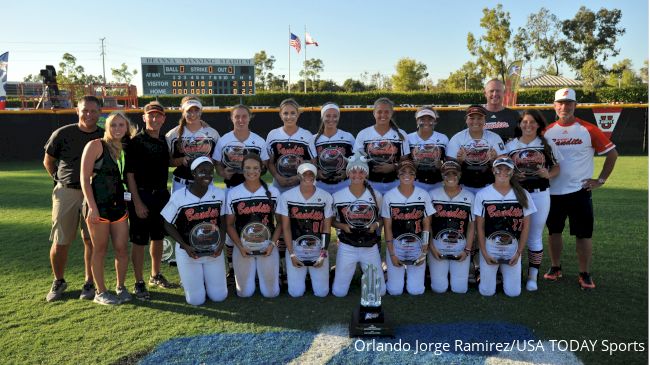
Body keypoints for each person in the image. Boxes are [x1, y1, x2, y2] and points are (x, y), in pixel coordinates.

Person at [542, 88, 618, 290]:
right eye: (560, 103)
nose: (564, 107)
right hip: (553, 192)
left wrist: (600, 180)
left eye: (568, 103)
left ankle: (584, 273)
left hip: (580, 192)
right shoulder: (546, 131)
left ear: (575, 105)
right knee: (554, 232)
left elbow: (612, 154)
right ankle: (555, 267)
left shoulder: (588, 129)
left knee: (583, 234)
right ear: (554, 105)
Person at [43, 95, 104, 302]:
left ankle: (89, 282)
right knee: (61, 240)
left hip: (94, 194)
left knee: (91, 240)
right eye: (84, 110)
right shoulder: (62, 133)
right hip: (66, 191)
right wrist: (59, 180)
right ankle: (59, 280)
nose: (88, 114)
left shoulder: (104, 136)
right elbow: (48, 161)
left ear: (100, 113)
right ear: (77, 111)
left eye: (93, 111)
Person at [80, 111, 136, 305]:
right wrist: (92, 208)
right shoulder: (95, 145)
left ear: (126, 128)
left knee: (122, 249)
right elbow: (84, 179)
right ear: (107, 127)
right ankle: (100, 291)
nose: (117, 129)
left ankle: (120, 287)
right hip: (99, 207)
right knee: (100, 249)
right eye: (113, 125)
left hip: (118, 206)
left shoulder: (125, 148)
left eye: (121, 125)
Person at [125, 101, 176, 300]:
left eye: (158, 116)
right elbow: (129, 175)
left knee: (158, 237)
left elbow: (169, 162)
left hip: (161, 195)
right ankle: (139, 282)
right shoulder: (136, 142)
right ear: (144, 118)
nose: (154, 119)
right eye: (151, 115)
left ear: (163, 118)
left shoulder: (164, 140)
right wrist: (137, 202)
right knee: (139, 240)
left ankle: (155, 275)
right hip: (142, 195)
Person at [506, 110, 562, 291]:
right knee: (513, 233)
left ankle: (532, 276)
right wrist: (514, 176)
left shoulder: (546, 143)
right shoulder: (510, 145)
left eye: (532, 122)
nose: (528, 125)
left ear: (538, 125)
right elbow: (503, 171)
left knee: (535, 237)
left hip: (540, 193)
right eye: (524, 122)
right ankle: (514, 272)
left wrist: (549, 174)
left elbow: (557, 168)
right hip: (517, 194)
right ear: (519, 124)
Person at [161, 157, 228, 305]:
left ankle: (205, 280)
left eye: (210, 172)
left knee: (219, 296)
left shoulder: (219, 194)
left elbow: (223, 221)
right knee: (195, 300)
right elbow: (167, 224)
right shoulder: (179, 196)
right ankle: (195, 281)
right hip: (188, 252)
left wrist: (221, 242)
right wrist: (185, 246)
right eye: (202, 171)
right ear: (193, 173)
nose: (207, 175)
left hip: (213, 250)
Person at [473, 157, 536, 297]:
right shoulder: (482, 194)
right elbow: (480, 228)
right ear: (493, 170)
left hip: (512, 249)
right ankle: (480, 272)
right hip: (490, 247)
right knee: (487, 292)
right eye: (499, 168)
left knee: (514, 293)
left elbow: (526, 227)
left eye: (507, 169)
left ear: (512, 172)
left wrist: (519, 252)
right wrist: (484, 252)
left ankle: (501, 275)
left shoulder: (522, 194)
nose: (503, 172)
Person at [225, 153, 282, 298]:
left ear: (262, 169)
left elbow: (280, 222)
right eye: (248, 168)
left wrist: (272, 244)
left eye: (256, 168)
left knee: (271, 293)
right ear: (242, 169)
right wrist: (239, 246)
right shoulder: (233, 193)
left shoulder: (273, 192)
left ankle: (269, 276)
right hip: (243, 246)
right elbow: (229, 225)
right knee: (244, 293)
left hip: (267, 245)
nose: (252, 171)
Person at [331, 152, 386, 297]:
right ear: (348, 173)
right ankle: (335, 274)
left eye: (361, 171)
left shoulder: (376, 195)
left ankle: (370, 276)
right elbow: (330, 220)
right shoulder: (338, 196)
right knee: (339, 292)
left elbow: (382, 218)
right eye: (353, 171)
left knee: (380, 291)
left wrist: (376, 225)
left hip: (369, 245)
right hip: (347, 245)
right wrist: (342, 227)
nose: (357, 175)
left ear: (366, 174)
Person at [277, 163, 333, 297]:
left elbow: (327, 227)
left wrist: (322, 254)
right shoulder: (287, 196)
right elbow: (286, 228)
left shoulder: (326, 197)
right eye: (304, 174)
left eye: (311, 174)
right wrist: (291, 254)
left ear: (315, 176)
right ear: (298, 176)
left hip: (318, 248)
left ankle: (327, 272)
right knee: (295, 293)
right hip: (296, 248)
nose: (308, 177)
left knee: (322, 292)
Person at [382, 160, 434, 295]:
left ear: (415, 175)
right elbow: (387, 227)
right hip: (396, 244)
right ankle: (388, 271)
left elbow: (426, 224)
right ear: (397, 175)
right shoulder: (389, 196)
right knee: (394, 291)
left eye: (411, 173)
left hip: (417, 244)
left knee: (416, 291)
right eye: (403, 172)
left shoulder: (423, 195)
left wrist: (425, 246)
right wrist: (392, 253)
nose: (407, 175)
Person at [428, 161, 475, 294]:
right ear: (442, 175)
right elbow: (427, 225)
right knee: (439, 289)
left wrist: (467, 250)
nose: (451, 177)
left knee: (460, 289)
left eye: (454, 174)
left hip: (460, 246)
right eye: (447, 174)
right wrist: (432, 248)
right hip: (437, 246)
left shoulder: (470, 197)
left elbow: (472, 226)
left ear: (459, 175)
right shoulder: (432, 195)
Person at [354, 97, 410, 195]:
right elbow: (357, 159)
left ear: (391, 113)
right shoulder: (363, 134)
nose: (383, 115)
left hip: (395, 184)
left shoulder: (401, 134)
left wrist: (393, 167)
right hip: (370, 183)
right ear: (374, 113)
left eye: (387, 112)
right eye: (379, 112)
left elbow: (405, 161)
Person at [446, 104, 507, 195]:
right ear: (466, 120)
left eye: (479, 118)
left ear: (485, 120)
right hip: (464, 187)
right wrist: (459, 161)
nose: (475, 121)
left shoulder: (494, 138)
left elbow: (504, 165)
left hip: (488, 186)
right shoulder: (457, 138)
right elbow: (449, 166)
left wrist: (494, 161)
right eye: (472, 118)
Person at [166, 96, 220, 192]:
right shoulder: (173, 135)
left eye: (196, 110)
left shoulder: (212, 134)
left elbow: (218, 160)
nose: (193, 114)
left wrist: (210, 161)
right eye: (189, 111)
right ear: (183, 112)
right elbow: (168, 162)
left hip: (206, 183)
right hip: (181, 185)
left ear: (201, 111)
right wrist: (181, 160)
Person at [266, 98, 316, 194]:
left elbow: (313, 162)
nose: (289, 116)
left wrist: (299, 176)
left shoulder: (307, 135)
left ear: (298, 114)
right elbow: (270, 163)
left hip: (301, 186)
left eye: (293, 113)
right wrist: (277, 177)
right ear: (280, 115)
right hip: (278, 185)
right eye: (285, 113)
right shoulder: (273, 135)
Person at [213, 104, 269, 188]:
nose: (240, 120)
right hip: (231, 187)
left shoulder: (259, 141)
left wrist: (254, 172)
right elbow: (217, 163)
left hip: (254, 188)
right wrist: (223, 173)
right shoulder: (223, 140)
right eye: (237, 117)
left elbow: (264, 165)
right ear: (232, 118)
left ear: (250, 117)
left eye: (244, 116)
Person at [312, 102, 355, 195]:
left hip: (344, 185)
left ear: (339, 117)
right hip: (320, 186)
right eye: (327, 116)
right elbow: (309, 161)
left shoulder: (348, 137)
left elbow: (355, 160)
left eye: (335, 116)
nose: (331, 119)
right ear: (322, 117)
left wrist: (347, 172)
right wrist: (316, 171)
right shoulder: (313, 139)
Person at [407, 106, 448, 191]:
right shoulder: (408, 139)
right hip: (414, 184)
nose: (426, 122)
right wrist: (411, 165)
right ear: (417, 120)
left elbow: (449, 164)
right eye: (422, 119)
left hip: (437, 184)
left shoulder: (443, 138)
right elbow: (402, 163)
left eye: (430, 119)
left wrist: (441, 166)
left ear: (435, 121)